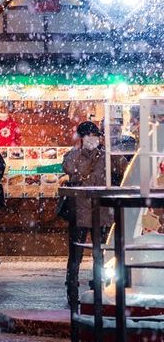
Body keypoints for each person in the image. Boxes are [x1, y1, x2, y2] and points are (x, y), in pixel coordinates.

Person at [61, 121, 109, 310]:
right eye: (88, 135)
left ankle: (98, 288)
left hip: (100, 211)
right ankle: (72, 291)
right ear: (81, 137)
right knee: (76, 254)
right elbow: (69, 168)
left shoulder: (105, 156)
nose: (92, 139)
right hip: (80, 211)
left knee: (100, 253)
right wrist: (81, 150)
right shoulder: (73, 155)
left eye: (95, 135)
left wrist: (104, 150)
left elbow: (120, 168)